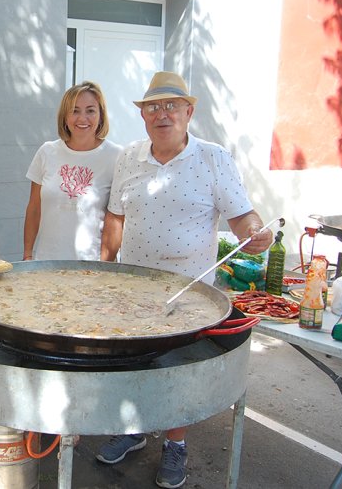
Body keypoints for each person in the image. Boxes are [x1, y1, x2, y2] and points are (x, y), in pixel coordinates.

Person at [97, 71, 273, 488]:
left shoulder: (214, 159)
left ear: (188, 112)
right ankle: (132, 429)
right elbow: (115, 218)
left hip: (189, 290)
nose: (162, 114)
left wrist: (256, 232)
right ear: (142, 116)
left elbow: (243, 216)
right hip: (133, 286)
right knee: (129, 359)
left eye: (171, 105)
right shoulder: (129, 158)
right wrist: (104, 269)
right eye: (153, 107)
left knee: (176, 369)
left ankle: (175, 446)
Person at [23, 81, 122, 261]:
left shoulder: (116, 156)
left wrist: (106, 265)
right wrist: (28, 254)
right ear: (64, 116)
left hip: (92, 267)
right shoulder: (46, 152)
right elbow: (34, 208)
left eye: (90, 110)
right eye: (74, 111)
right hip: (47, 262)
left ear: (101, 115)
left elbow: (117, 218)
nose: (82, 118)